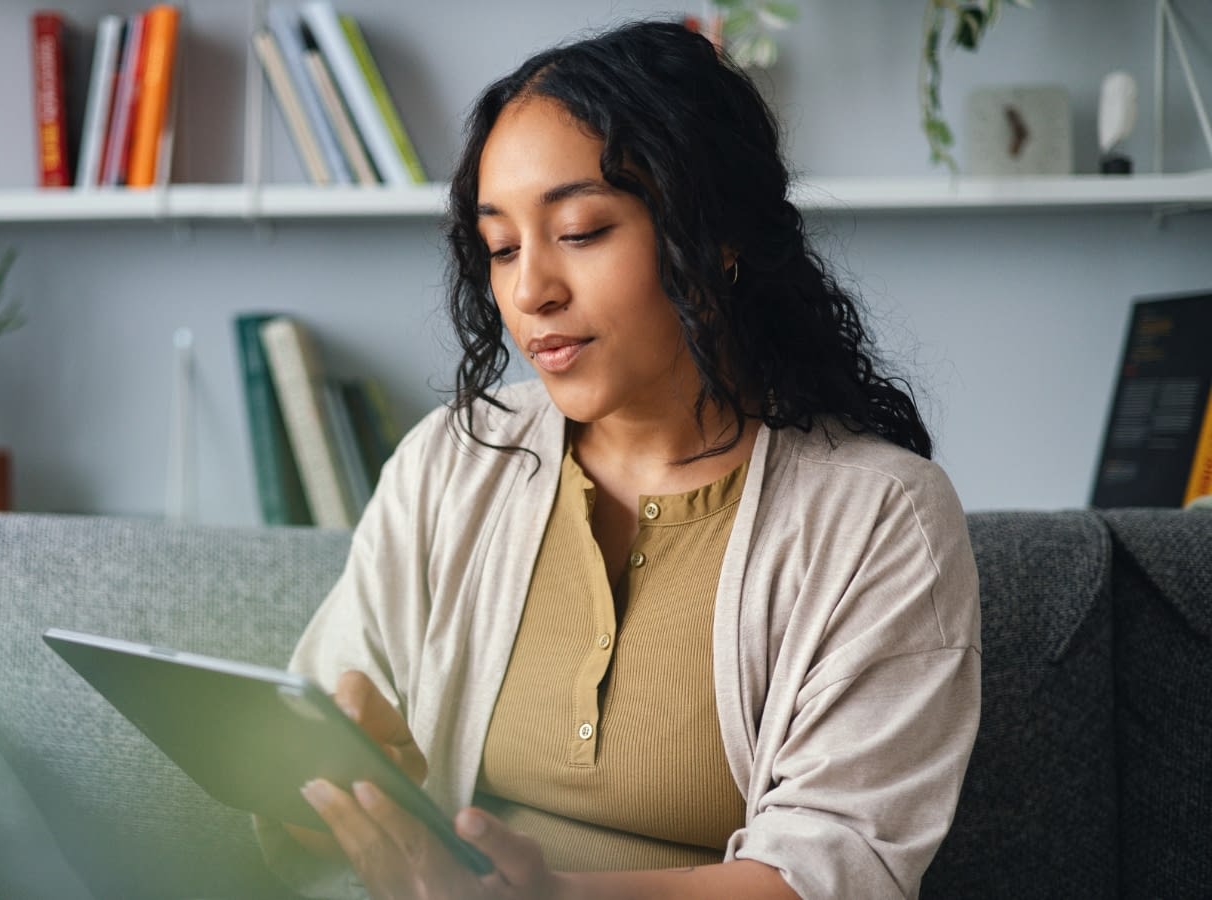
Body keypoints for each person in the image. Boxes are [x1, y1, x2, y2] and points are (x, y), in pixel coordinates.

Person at [256, 18, 980, 900]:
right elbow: (299, 781)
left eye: (583, 231)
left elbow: (836, 869)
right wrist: (348, 785)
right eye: (502, 247)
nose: (530, 293)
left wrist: (552, 898)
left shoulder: (877, 516)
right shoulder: (454, 460)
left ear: (717, 236)